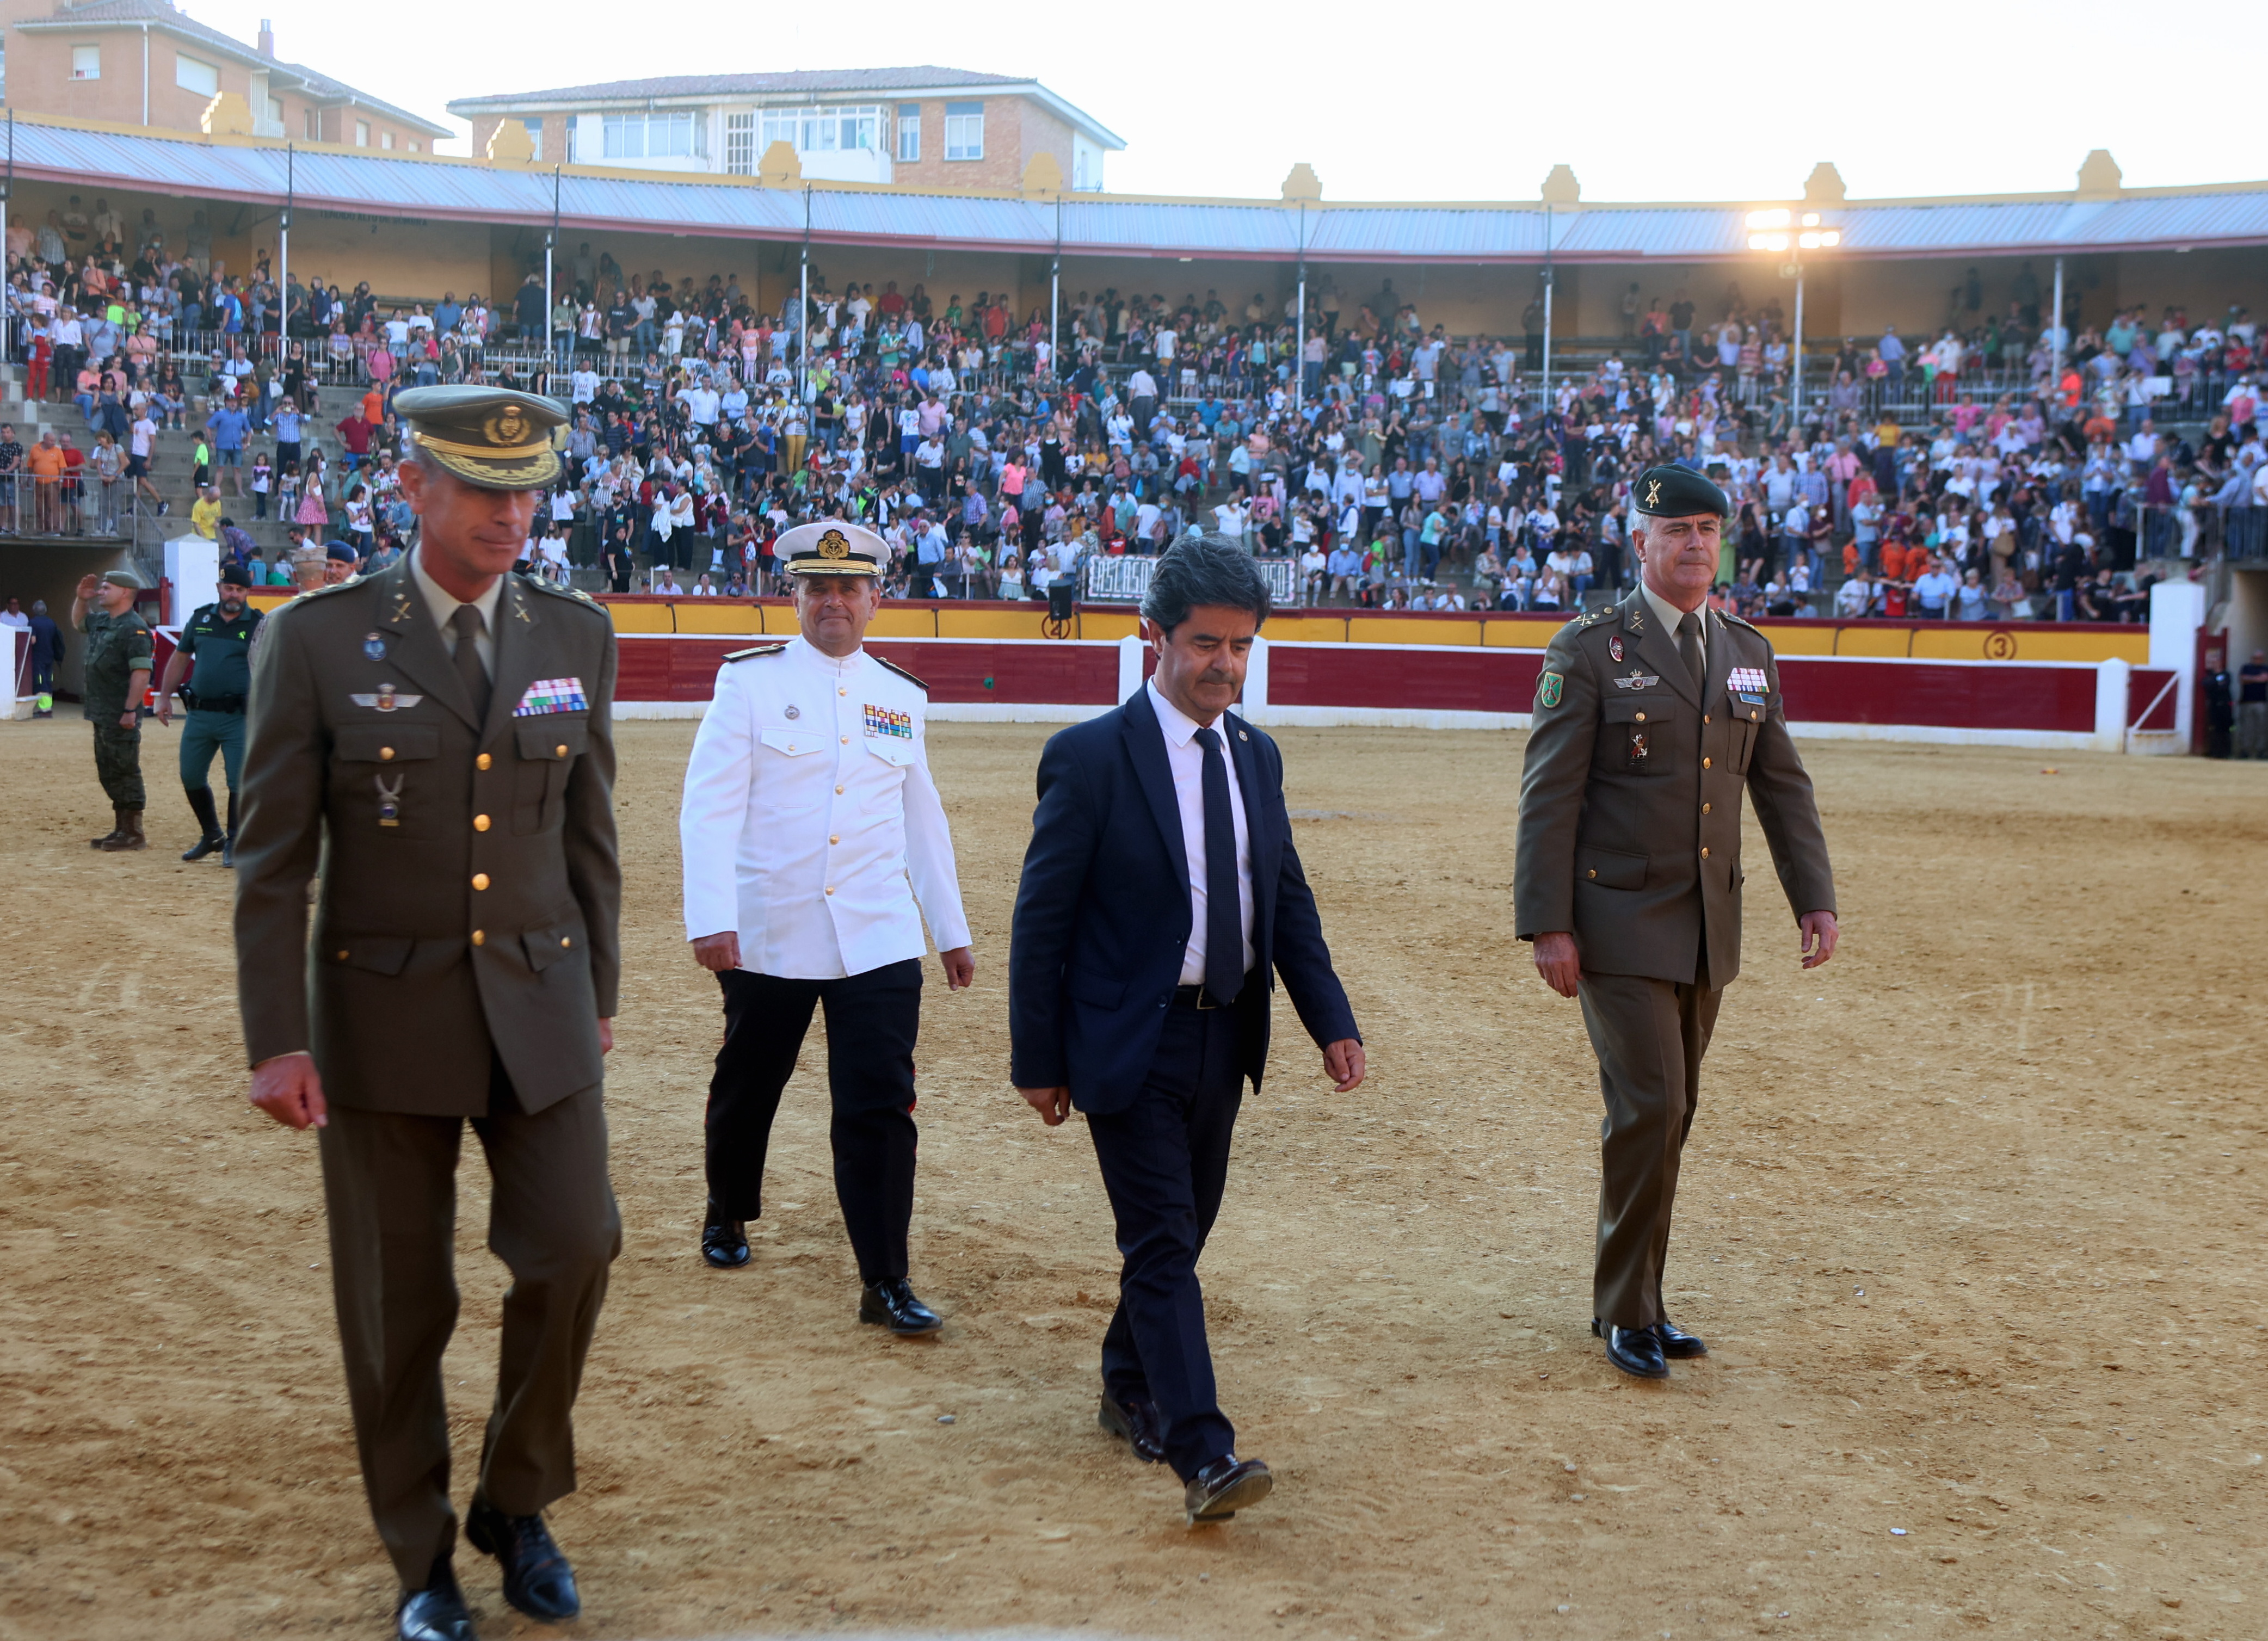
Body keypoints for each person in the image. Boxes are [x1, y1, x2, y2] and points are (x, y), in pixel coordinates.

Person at [231, 386, 622, 1641]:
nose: (512, 514)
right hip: (380, 1015)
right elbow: (271, 861)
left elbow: (590, 835)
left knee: (576, 1246)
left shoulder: (574, 632)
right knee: (400, 1299)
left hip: (542, 999)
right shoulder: (320, 639)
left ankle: (516, 1497)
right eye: (484, 489)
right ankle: (420, 1551)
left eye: (527, 492)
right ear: (413, 486)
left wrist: (600, 995)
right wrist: (276, 1037)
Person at [1007, 533, 1365, 1526]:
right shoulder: (1087, 758)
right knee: (1164, 1239)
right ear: (1152, 637)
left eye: (1240, 646)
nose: (1225, 665)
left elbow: (1286, 901)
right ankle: (1203, 1451)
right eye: (1206, 643)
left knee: (1184, 1228)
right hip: (1127, 1040)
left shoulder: (1256, 754)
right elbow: (1041, 923)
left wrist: (1329, 1021)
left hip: (1225, 1034)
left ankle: (1127, 1381)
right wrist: (1036, 1059)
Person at [1514, 466, 1838, 1381]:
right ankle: (1626, 1309)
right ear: (1641, 541)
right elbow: (1548, 797)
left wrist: (1812, 895)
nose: (1695, 543)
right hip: (1614, 921)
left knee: (1671, 1112)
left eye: (1707, 529)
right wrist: (1547, 924)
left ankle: (1638, 1298)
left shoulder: (1744, 651)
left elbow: (1780, 784)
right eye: (1676, 529)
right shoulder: (1589, 649)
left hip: (1705, 923)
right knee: (1652, 1106)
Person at [678, 521, 974, 1333]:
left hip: (877, 933)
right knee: (751, 1083)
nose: (833, 601)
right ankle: (727, 1207)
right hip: (770, 930)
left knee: (881, 1105)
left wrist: (949, 928)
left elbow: (921, 819)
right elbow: (708, 808)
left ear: (876, 599)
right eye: (818, 588)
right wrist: (712, 917)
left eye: (849, 588)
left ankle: (885, 1278)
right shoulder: (749, 682)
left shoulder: (901, 695)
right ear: (795, 597)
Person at [155, 563, 262, 862]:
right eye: (229, 588)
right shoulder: (201, 618)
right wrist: (164, 697)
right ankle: (212, 835)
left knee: (239, 781)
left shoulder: (258, 623)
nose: (234, 594)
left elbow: (271, 667)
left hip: (239, 717)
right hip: (200, 714)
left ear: (247, 593)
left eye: (240, 590)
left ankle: (236, 843)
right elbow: (180, 658)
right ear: (219, 588)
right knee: (190, 775)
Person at [72, 568, 153, 850]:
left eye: (107, 587)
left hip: (120, 713)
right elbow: (80, 622)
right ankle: (121, 828)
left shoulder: (134, 628)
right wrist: (82, 599)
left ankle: (133, 832)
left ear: (125, 592)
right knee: (108, 770)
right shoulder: (104, 621)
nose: (101, 591)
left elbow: (141, 672)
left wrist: (130, 710)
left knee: (125, 769)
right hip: (102, 711)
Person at [2236, 651, 2268, 760]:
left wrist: (2251, 679)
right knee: (2246, 728)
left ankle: (2261, 751)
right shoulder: (2246, 668)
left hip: (2261, 702)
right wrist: (2258, 679)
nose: (2257, 660)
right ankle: (2245, 750)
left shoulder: (2265, 668)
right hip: (2247, 702)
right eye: (2255, 658)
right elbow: (2243, 679)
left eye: (2259, 658)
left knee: (2261, 728)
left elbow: (2265, 679)